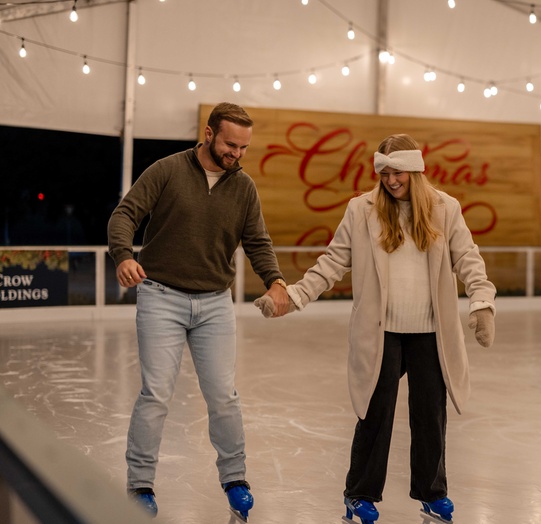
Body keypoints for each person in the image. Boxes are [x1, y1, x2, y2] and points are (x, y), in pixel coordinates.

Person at [255, 133, 496, 523]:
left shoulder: (444, 208)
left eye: (397, 172)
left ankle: (432, 493)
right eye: (383, 173)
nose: (390, 180)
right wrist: (295, 296)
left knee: (430, 413)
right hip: (381, 331)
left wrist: (482, 301)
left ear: (415, 171)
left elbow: (468, 258)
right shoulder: (361, 209)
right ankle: (359, 493)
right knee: (375, 411)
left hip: (430, 331)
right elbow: (333, 262)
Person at [108, 102, 291, 521]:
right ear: (208, 134)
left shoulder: (243, 187)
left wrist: (276, 281)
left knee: (223, 396)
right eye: (230, 144)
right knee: (155, 395)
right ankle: (139, 484)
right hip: (160, 297)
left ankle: (235, 478)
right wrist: (122, 255)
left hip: (214, 303)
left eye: (244, 147)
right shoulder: (167, 170)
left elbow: (257, 241)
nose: (237, 154)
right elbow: (125, 214)